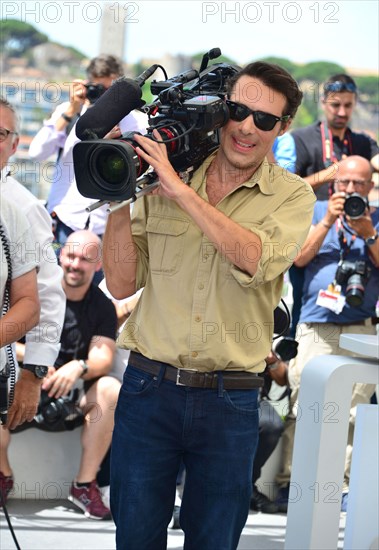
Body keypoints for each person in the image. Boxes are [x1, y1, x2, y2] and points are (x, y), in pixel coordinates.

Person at [103, 61, 315, 549]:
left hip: (230, 400)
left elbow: (253, 258)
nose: (246, 127)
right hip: (147, 390)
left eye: (265, 120)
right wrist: (117, 190)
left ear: (282, 129)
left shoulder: (292, 196)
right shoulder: (160, 177)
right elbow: (120, 283)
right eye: (237, 110)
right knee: (134, 537)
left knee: (214, 540)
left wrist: (179, 191)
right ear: (221, 109)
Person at [275, 156, 379, 513]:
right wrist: (327, 220)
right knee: (306, 406)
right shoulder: (315, 209)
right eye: (344, 183)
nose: (350, 190)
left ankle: (345, 487)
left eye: (358, 184)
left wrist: (370, 233)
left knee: (353, 410)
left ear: (369, 186)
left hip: (360, 329)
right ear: (334, 184)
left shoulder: (375, 217)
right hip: (316, 327)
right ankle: (294, 482)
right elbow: (299, 259)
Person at [0, 230, 120, 519]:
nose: (75, 264)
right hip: (24, 387)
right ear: (60, 255)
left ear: (98, 264)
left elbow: (103, 357)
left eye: (85, 258)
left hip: (73, 396)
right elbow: (5, 339)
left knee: (110, 389)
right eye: (71, 255)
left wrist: (78, 367)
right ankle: (3, 476)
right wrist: (37, 361)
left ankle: (83, 484)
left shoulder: (102, 305)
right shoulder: (33, 293)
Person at [0, 97, 65, 503]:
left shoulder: (23, 207)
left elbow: (46, 296)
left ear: (14, 143)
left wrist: (33, 373)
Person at [289, 74, 379, 336]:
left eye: (348, 106)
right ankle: (295, 358)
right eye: (335, 105)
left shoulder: (362, 142)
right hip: (316, 226)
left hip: (357, 229)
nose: (342, 112)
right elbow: (291, 189)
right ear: (323, 103)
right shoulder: (304, 138)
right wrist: (334, 173)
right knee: (302, 300)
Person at [28, 54, 148, 247]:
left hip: (112, 223)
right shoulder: (70, 112)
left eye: (112, 91)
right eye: (99, 90)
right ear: (86, 85)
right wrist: (71, 111)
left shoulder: (138, 121)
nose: (106, 98)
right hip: (66, 221)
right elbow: (36, 153)